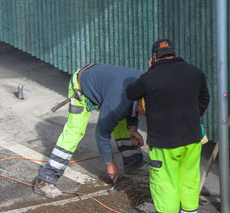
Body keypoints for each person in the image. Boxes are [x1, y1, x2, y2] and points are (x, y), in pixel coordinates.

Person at [126, 39, 210, 213]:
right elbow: (204, 99)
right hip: (192, 138)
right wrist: (190, 117)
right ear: (173, 53)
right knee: (189, 177)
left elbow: (131, 93)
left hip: (164, 142)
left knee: (165, 180)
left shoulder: (150, 77)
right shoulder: (195, 72)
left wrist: (149, 71)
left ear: (154, 57)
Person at [34, 64, 146, 198]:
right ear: (139, 102)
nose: (144, 115)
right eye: (144, 112)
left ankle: (134, 164)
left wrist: (133, 129)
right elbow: (101, 133)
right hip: (81, 87)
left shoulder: (145, 87)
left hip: (105, 84)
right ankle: (45, 179)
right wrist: (110, 164)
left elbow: (132, 108)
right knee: (74, 132)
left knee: (123, 126)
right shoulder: (117, 103)